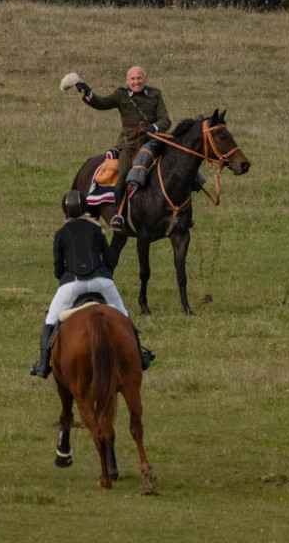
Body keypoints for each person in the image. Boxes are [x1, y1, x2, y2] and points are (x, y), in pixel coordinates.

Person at [31, 190, 154, 378]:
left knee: (50, 321)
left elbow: (58, 268)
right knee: (124, 316)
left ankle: (42, 364)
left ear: (65, 210)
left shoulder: (61, 234)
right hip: (101, 282)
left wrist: (63, 278)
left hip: (72, 284)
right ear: (86, 207)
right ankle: (139, 356)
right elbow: (110, 259)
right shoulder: (96, 229)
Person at [75, 66, 171, 232]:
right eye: (132, 79)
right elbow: (102, 103)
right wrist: (88, 93)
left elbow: (165, 120)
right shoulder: (121, 95)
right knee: (124, 169)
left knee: (176, 162)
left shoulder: (156, 94)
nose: (136, 82)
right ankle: (119, 214)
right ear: (127, 81)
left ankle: (182, 210)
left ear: (145, 79)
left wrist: (154, 128)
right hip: (130, 143)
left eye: (139, 78)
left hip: (153, 141)